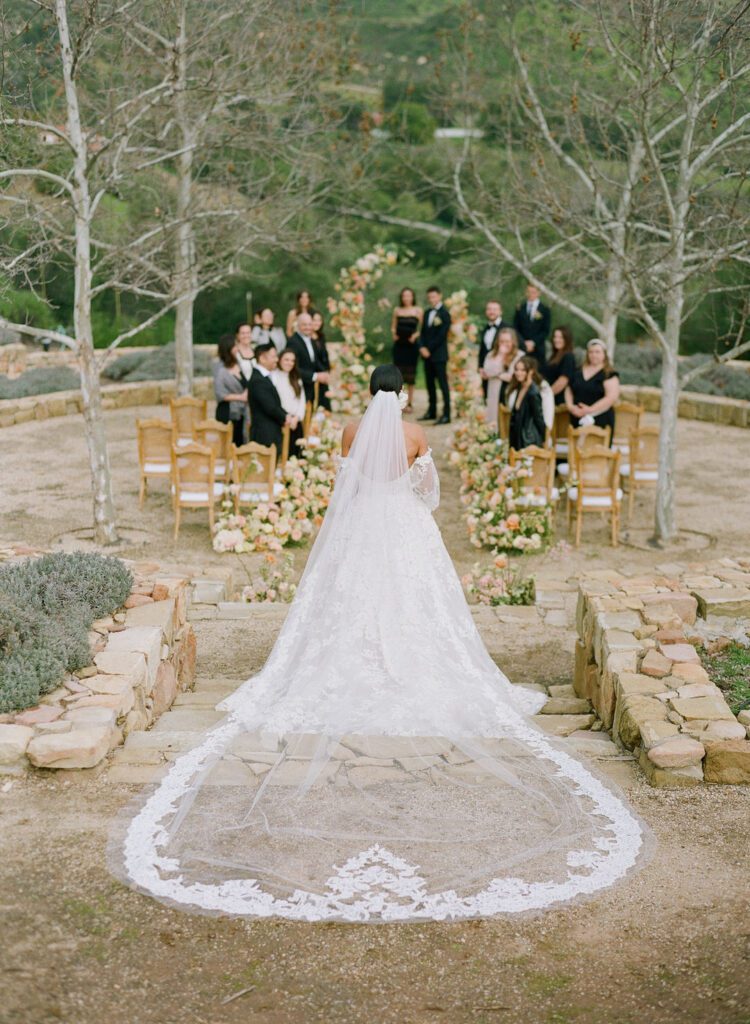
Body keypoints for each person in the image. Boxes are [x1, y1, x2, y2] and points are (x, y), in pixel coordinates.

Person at [114, 361, 647, 924]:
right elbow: (430, 494)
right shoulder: (415, 435)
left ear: (369, 391)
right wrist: (411, 488)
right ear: (404, 393)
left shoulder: (349, 431)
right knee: (418, 604)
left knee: (347, 599)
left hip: (360, 525)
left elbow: (344, 486)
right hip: (404, 526)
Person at [565, 338, 620, 438]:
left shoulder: (609, 374)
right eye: (591, 352)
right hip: (577, 417)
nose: (594, 355)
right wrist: (571, 407)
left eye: (597, 352)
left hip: (600, 419)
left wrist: (590, 409)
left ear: (604, 354)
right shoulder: (578, 371)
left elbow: (611, 397)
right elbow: (569, 389)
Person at [247, 342, 294, 452]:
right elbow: (270, 406)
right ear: (262, 358)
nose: (277, 360)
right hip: (264, 433)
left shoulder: (264, 377)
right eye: (273, 356)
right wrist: (285, 417)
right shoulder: (258, 380)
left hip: (270, 431)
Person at [418, 285, 451, 424]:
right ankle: (432, 411)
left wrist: (428, 349)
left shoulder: (445, 314)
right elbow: (423, 333)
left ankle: (446, 414)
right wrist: (421, 347)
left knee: (443, 384)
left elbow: (441, 335)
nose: (432, 299)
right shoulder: (426, 313)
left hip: (439, 355)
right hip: (427, 355)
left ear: (440, 296)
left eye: (434, 296)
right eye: (429, 297)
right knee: (429, 384)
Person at [390, 287, 423, 413]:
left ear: (413, 297)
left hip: (411, 346)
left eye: (409, 296)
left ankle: (409, 403)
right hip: (399, 345)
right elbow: (393, 327)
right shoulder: (397, 310)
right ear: (401, 297)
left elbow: (422, 328)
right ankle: (398, 402)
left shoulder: (418, 310)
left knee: (411, 376)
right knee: (399, 375)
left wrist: (415, 336)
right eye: (404, 296)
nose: (406, 298)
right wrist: (394, 334)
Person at [212, 333, 248, 446]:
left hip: (241, 411)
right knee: (229, 444)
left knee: (240, 442)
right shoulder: (220, 368)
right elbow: (219, 393)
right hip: (228, 412)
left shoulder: (237, 363)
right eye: (235, 345)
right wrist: (241, 397)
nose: (237, 348)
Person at [286, 312, 330, 405]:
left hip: (312, 388)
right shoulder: (293, 342)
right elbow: (292, 367)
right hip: (300, 387)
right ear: (298, 325)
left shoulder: (311, 340)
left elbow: (314, 361)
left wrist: (325, 373)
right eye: (304, 325)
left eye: (310, 324)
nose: (308, 327)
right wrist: (315, 376)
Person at [507, 356, 549, 450]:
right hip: (517, 437)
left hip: (528, 440)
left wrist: (544, 439)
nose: (518, 373)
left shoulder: (533, 393)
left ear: (530, 372)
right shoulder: (520, 387)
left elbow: (539, 417)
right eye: (517, 370)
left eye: (522, 370)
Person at [482, 326, 521, 425]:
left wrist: (496, 375)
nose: (504, 344)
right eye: (501, 341)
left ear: (513, 341)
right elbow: (487, 372)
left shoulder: (519, 355)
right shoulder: (491, 355)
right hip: (493, 392)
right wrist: (500, 356)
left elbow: (512, 376)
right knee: (493, 420)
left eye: (507, 341)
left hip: (510, 393)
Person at [271, 348, 305, 451]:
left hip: (295, 422)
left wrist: (296, 418)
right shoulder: (273, 377)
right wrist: (286, 417)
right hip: (280, 421)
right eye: (286, 359)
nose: (289, 363)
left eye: (292, 360)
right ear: (279, 360)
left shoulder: (296, 378)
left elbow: (301, 401)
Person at [513, 283, 551, 370]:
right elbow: (515, 328)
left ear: (539, 293)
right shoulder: (520, 308)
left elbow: (546, 330)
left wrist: (533, 342)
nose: (530, 294)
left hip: (538, 349)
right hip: (522, 348)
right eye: (528, 292)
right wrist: (523, 343)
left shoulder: (545, 309)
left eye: (533, 292)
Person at [478, 300, 508, 398]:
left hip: (501, 375)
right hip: (486, 374)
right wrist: (481, 367)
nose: (492, 312)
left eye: (495, 309)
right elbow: (482, 350)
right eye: (489, 309)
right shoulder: (485, 328)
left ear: (500, 312)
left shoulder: (507, 328)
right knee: (487, 399)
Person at [544, 326, 577, 405]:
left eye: (560, 337)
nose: (556, 340)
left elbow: (562, 381)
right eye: (555, 337)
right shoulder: (554, 356)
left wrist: (546, 396)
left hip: (558, 402)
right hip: (551, 399)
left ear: (567, 339)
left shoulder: (568, 357)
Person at [311, 311, 332, 411]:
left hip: (324, 373)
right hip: (315, 375)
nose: (317, 322)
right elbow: (313, 358)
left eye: (319, 320)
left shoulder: (321, 336)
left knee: (325, 404)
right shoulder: (307, 338)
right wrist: (323, 372)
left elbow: (325, 355)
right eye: (314, 320)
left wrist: (327, 371)